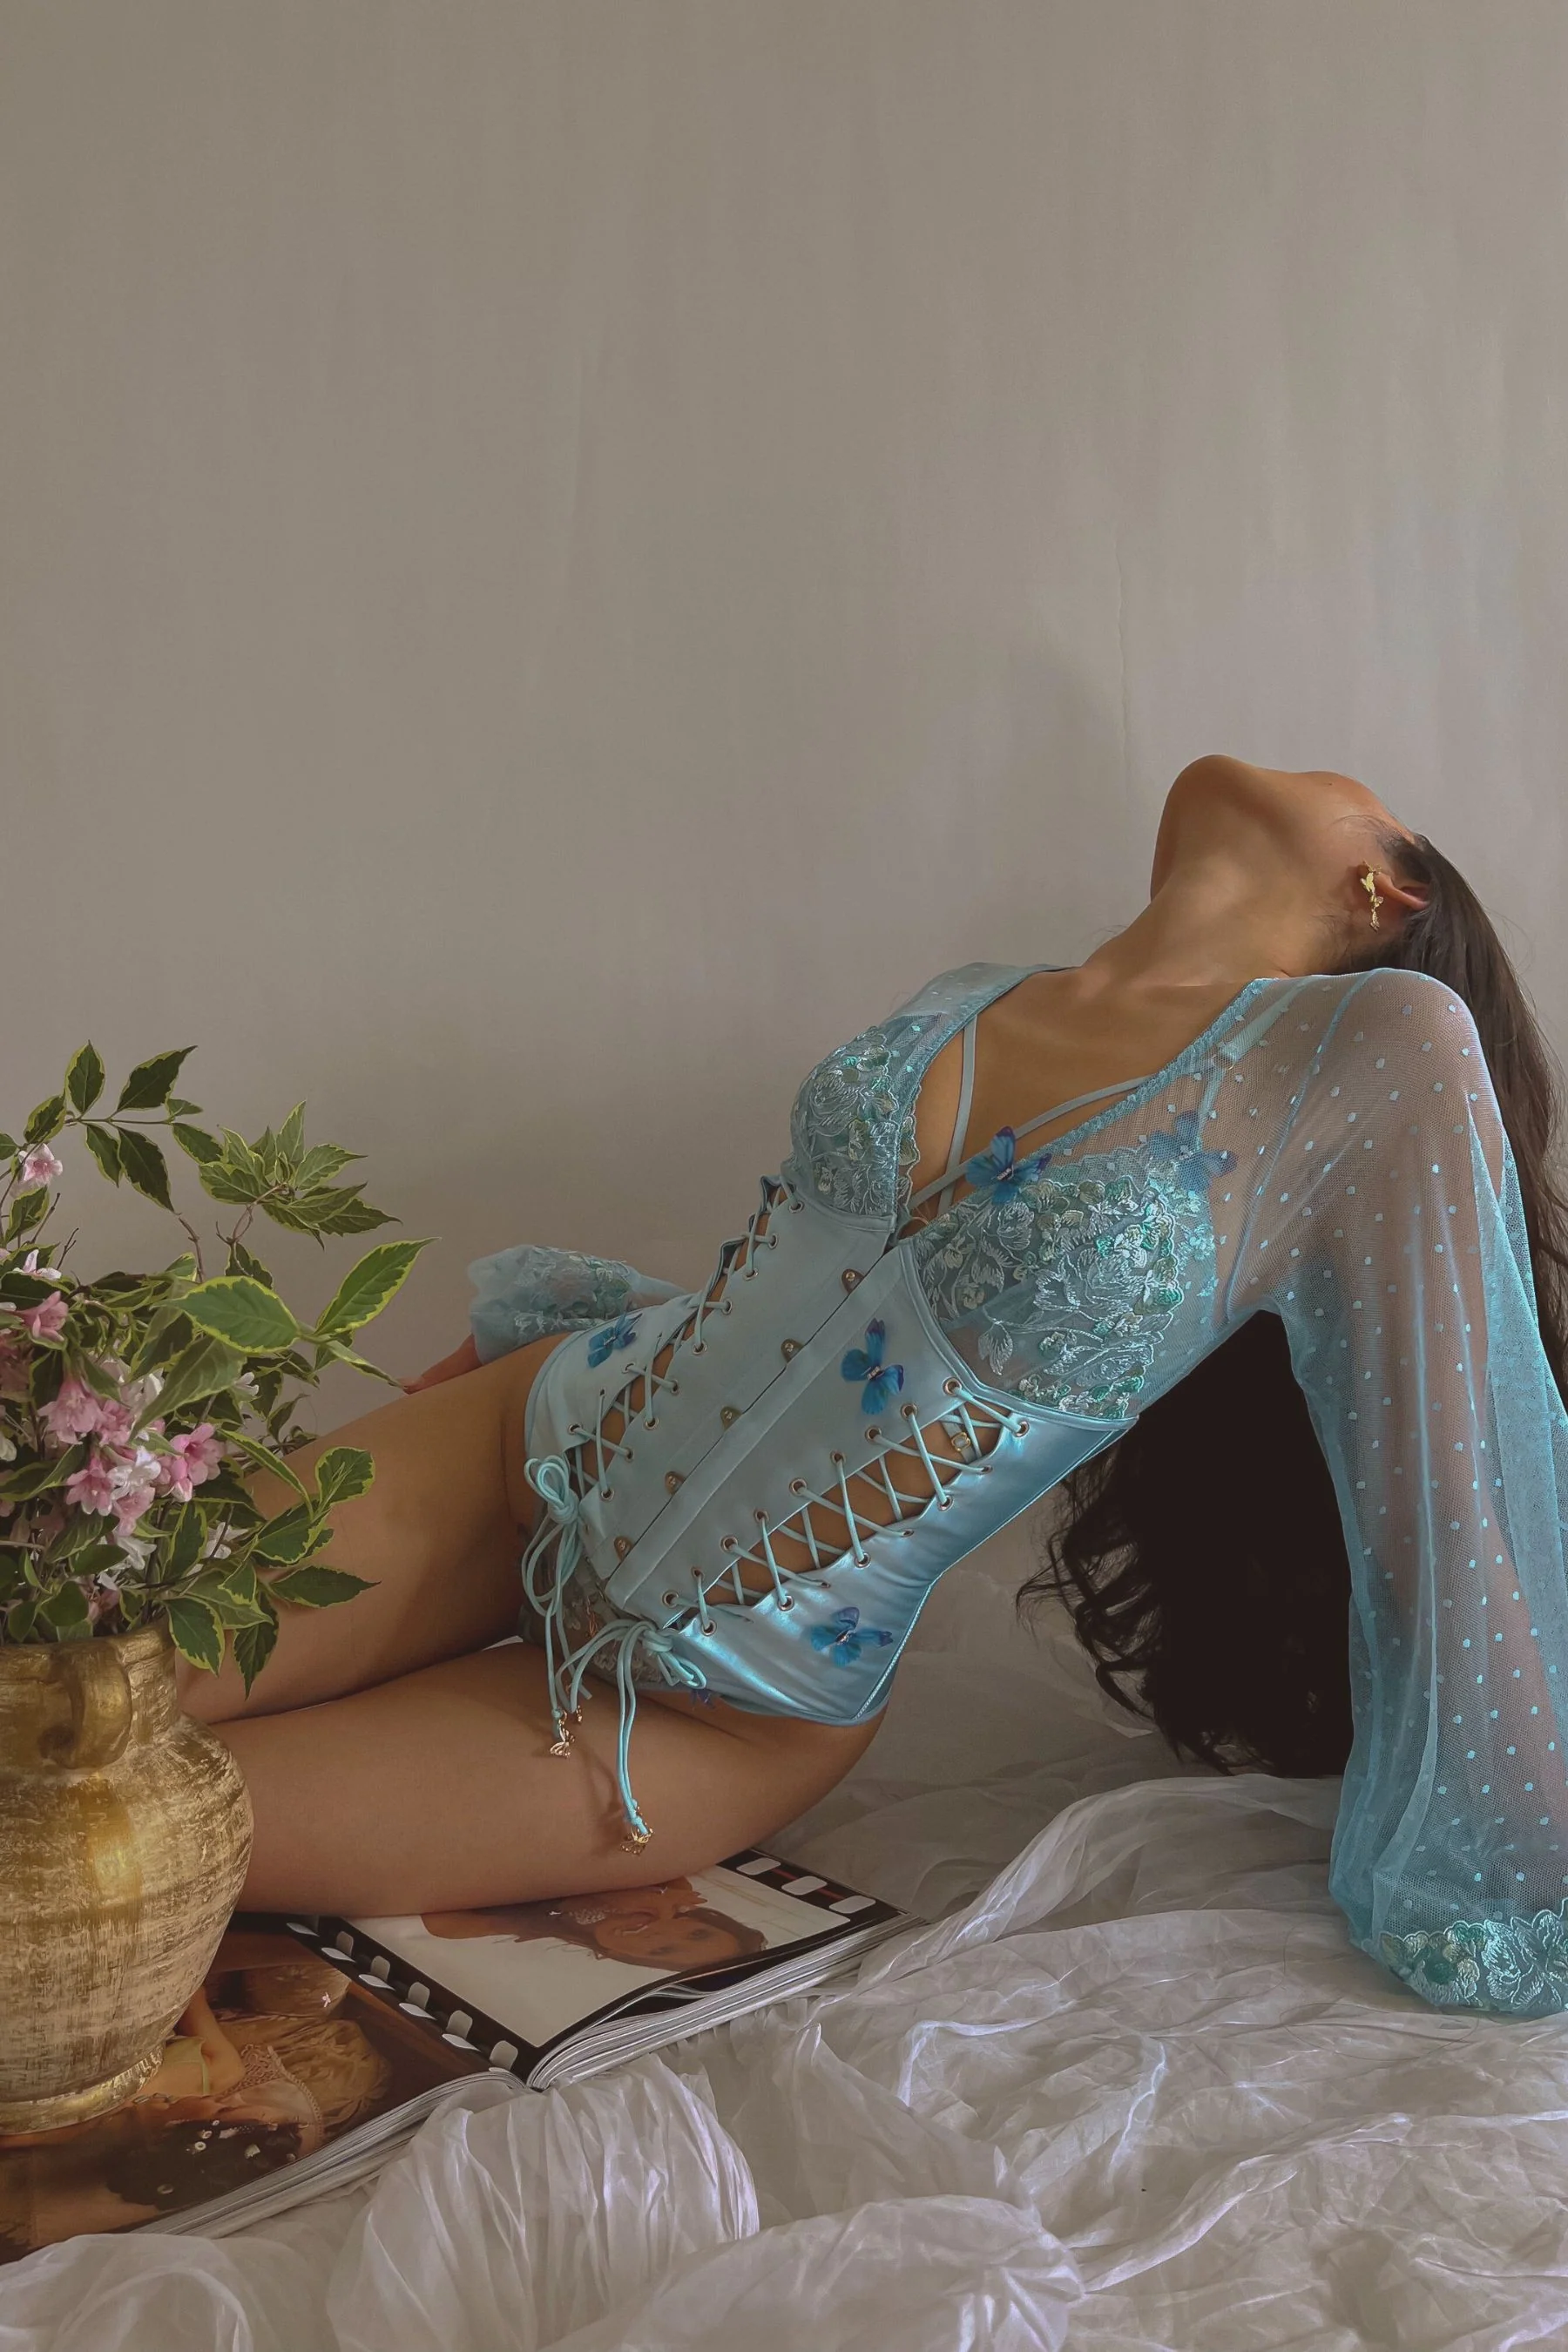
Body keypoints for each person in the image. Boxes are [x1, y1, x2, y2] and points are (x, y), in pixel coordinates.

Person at [179, 755, 1568, 2015]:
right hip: (526, 1443)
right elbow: (809, 1288)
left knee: (116, 1837)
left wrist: (1518, 1849)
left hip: (708, 1710)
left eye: (1335, 772)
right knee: (81, 1653)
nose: (1283, 754)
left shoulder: (1381, 1051)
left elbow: (1452, 1498)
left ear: (1386, 885)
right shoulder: (973, 992)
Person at [422, 1878, 767, 1970]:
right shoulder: (671, 1885)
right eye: (696, 1934)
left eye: (662, 1951)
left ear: (621, 1954)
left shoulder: (522, 1928)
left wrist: (570, 1902)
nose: (662, 1936)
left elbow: (436, 1919)